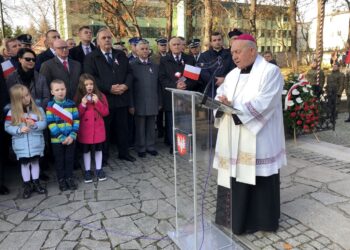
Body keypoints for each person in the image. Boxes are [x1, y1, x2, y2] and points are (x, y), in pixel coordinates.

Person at [213, 34, 287, 235]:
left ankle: (259, 221)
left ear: (252, 50)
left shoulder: (270, 72)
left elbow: (265, 102)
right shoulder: (232, 74)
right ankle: (231, 218)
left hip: (258, 137)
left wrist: (233, 107)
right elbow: (220, 96)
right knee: (232, 175)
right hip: (231, 134)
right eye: (232, 53)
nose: (234, 56)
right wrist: (220, 104)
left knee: (257, 175)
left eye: (237, 52)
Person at [84, 27, 135, 163]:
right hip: (103, 100)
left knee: (123, 128)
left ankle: (124, 153)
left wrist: (125, 85)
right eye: (103, 38)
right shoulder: (91, 57)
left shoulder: (120, 54)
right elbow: (90, 78)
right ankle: (104, 157)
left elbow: (130, 73)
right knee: (104, 129)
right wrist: (108, 88)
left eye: (109, 37)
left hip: (121, 98)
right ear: (98, 42)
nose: (107, 40)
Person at [5, 84, 47, 199]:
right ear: (16, 100)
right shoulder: (12, 113)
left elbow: (44, 124)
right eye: (22, 97)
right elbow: (7, 127)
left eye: (27, 95)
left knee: (35, 163)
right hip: (21, 145)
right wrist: (19, 129)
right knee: (24, 165)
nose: (26, 98)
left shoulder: (38, 110)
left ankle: (36, 183)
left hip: (35, 143)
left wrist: (34, 125)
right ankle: (27, 185)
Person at [158, 36, 198, 153]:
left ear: (182, 46)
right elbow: (162, 78)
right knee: (172, 123)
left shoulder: (189, 59)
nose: (176, 46)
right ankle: (174, 147)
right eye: (174, 45)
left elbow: (194, 78)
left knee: (186, 122)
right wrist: (175, 86)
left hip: (185, 96)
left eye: (178, 44)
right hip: (171, 96)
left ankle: (186, 145)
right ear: (170, 47)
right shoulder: (164, 60)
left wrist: (186, 85)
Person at [46, 79, 80, 191]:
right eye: (57, 90)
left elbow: (76, 120)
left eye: (62, 89)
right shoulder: (50, 107)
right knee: (59, 160)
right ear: (52, 92)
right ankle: (61, 180)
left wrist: (72, 135)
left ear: (66, 89)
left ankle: (69, 178)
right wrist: (61, 137)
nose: (60, 92)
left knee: (69, 159)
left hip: (71, 139)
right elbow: (51, 124)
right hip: (57, 141)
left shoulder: (71, 104)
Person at [75, 73, 109, 183]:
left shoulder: (101, 96)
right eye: (86, 84)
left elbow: (105, 112)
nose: (89, 86)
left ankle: (99, 169)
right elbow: (75, 115)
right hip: (85, 130)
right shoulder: (78, 98)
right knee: (86, 150)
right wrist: (83, 105)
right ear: (81, 86)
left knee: (99, 149)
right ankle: (87, 171)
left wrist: (98, 102)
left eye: (91, 84)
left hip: (98, 128)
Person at [130, 40, 160, 158]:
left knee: (151, 125)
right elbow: (130, 87)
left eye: (146, 48)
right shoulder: (132, 66)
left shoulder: (155, 65)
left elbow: (159, 85)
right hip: (139, 101)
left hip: (153, 100)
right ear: (136, 51)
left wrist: (160, 101)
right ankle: (141, 147)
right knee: (140, 126)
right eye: (142, 49)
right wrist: (131, 104)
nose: (145, 51)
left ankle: (150, 146)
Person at [198, 31, 235, 96]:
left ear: (222, 41)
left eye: (219, 40)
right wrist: (215, 81)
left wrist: (224, 79)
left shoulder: (230, 55)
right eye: (214, 40)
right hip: (210, 90)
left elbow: (233, 70)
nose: (217, 42)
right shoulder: (204, 56)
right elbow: (203, 72)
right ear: (211, 43)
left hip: (226, 88)